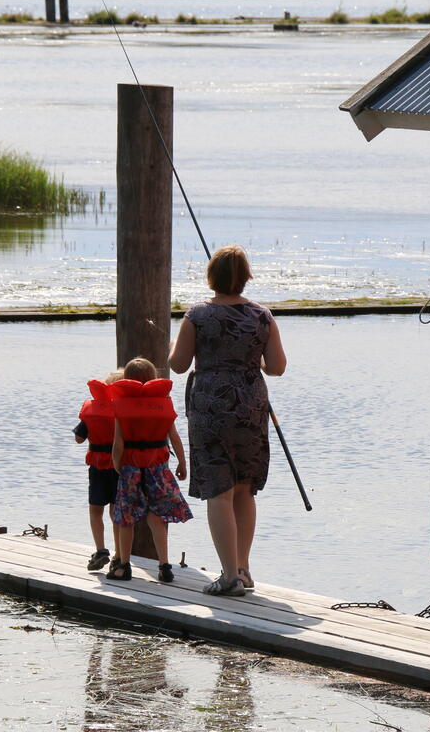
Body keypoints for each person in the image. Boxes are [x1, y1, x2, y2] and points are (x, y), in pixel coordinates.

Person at [168, 245, 286, 597]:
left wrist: (170, 344)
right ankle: (243, 569)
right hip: (250, 403)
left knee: (218, 490)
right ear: (246, 277)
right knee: (244, 488)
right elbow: (277, 367)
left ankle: (228, 575)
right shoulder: (263, 316)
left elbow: (177, 364)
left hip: (210, 406)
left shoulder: (197, 315)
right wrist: (251, 364)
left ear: (211, 277)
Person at [106, 356, 192, 583]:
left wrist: (117, 465)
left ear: (127, 380)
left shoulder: (122, 407)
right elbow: (174, 438)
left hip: (130, 468)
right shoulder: (162, 404)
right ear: (154, 378)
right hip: (158, 467)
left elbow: (118, 443)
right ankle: (164, 566)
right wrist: (182, 463)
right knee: (158, 518)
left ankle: (123, 566)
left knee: (126, 519)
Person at [74, 370, 124, 572]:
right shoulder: (123, 411)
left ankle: (101, 550)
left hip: (97, 466)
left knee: (96, 510)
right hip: (119, 467)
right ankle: (119, 554)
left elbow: (78, 439)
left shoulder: (91, 410)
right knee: (116, 512)